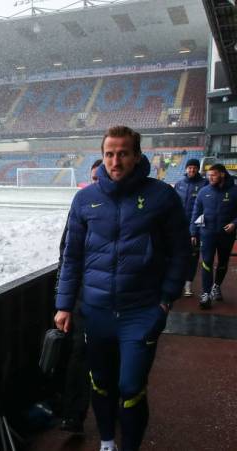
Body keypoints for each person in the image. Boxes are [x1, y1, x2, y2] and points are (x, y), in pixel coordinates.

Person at [55, 125, 189, 451]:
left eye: (123, 153)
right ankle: (106, 443)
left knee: (130, 387)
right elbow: (71, 257)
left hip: (141, 312)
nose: (116, 161)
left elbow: (181, 252)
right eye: (109, 154)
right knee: (100, 384)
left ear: (137, 156)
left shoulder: (162, 197)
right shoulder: (85, 199)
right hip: (96, 312)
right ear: (102, 156)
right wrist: (64, 304)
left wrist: (165, 300)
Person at [57, 158, 102, 435]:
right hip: (84, 298)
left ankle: (118, 406)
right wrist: (63, 300)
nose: (98, 183)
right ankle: (74, 416)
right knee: (79, 356)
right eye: (94, 178)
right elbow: (67, 254)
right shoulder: (82, 204)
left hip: (117, 301)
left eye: (103, 177)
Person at [190, 163, 237, 309]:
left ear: (222, 174)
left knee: (222, 263)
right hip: (207, 233)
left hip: (226, 235)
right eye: (208, 175)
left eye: (213, 175)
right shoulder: (204, 191)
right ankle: (205, 293)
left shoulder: (235, 191)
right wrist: (193, 232)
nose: (210, 178)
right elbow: (196, 213)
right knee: (207, 262)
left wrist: (235, 223)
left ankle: (216, 286)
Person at [174, 159, 207, 297]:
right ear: (186, 169)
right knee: (177, 255)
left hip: (196, 228)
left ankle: (188, 284)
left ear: (198, 169)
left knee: (192, 257)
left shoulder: (204, 184)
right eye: (190, 168)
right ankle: (177, 282)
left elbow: (206, 208)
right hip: (178, 227)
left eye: (194, 168)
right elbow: (173, 205)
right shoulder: (179, 184)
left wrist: (196, 229)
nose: (192, 170)